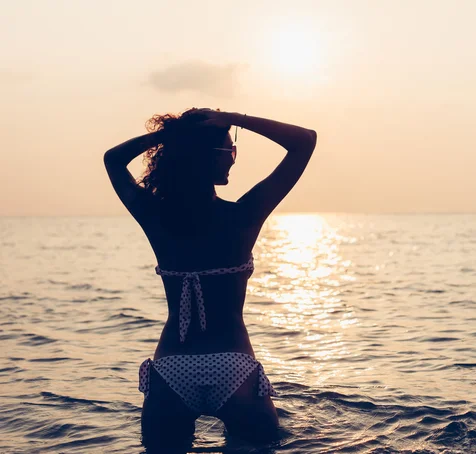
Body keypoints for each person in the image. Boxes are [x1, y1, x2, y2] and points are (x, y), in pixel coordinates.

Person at [103, 108, 317, 450]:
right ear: (211, 158)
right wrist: (237, 118)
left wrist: (171, 138)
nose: (233, 161)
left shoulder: (154, 215)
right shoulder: (244, 215)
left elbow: (113, 159)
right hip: (234, 367)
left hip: (172, 368)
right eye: (230, 151)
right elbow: (305, 141)